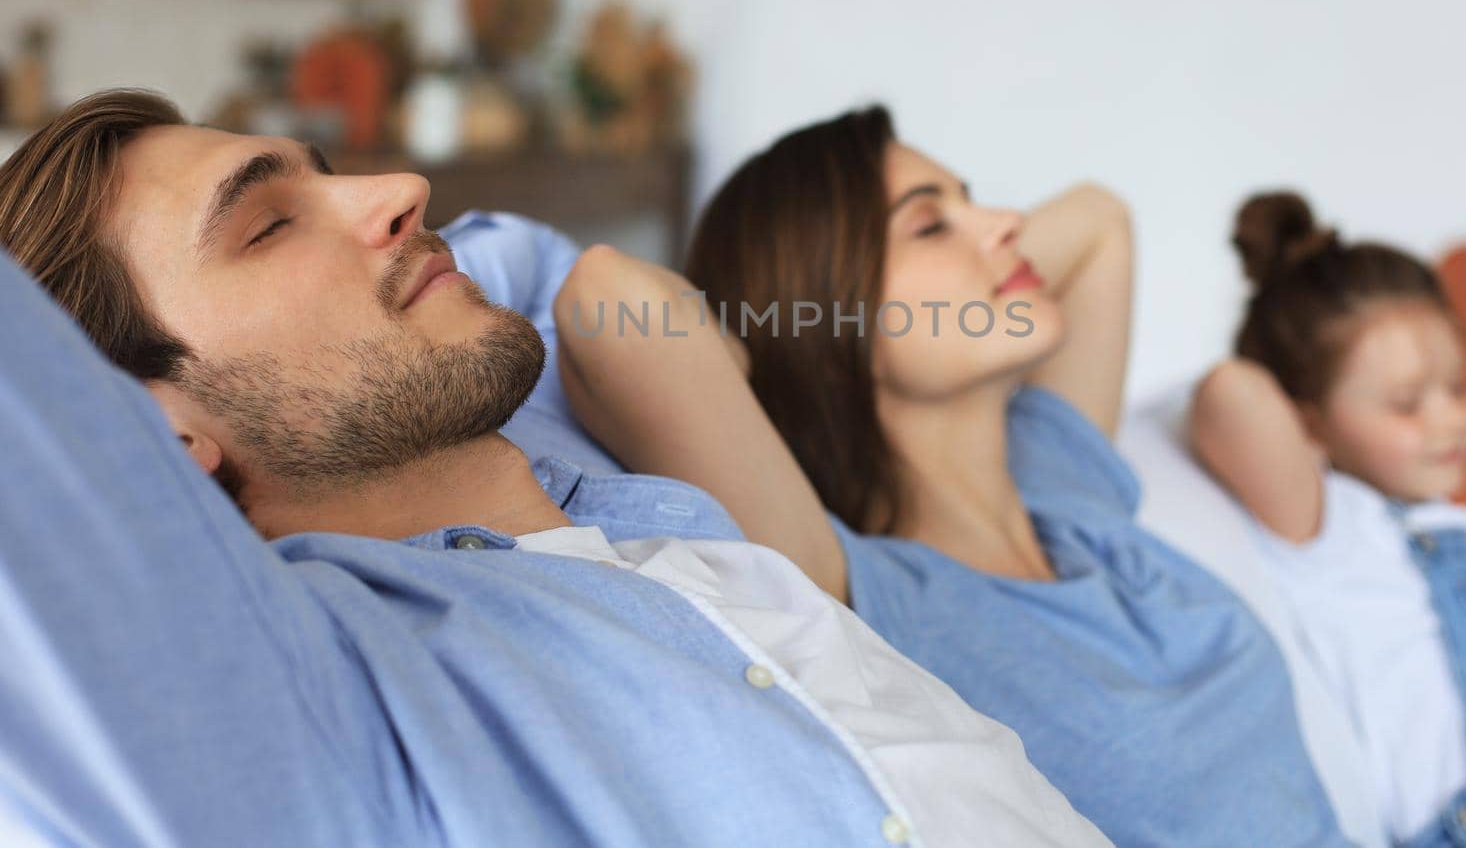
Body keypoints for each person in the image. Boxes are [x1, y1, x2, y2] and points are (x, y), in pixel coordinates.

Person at [0, 89, 1111, 848]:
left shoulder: (567, 429)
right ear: (151, 443)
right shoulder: (313, 699)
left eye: (326, 171)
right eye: (267, 226)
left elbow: (548, 265)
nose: (399, 185)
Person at [556, 105, 1356, 847]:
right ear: (832, 307)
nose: (1006, 222)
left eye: (971, 202)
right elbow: (604, 298)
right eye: (932, 224)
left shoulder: (1060, 480)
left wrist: (939, 274)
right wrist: (799, 324)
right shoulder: (859, 588)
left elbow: (1101, 217)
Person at [1188, 192, 1466, 848]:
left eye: (1457, 387)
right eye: (1407, 403)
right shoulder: (1329, 530)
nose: (1452, 418)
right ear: (1309, 421)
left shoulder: (1442, 525)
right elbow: (1226, 395)